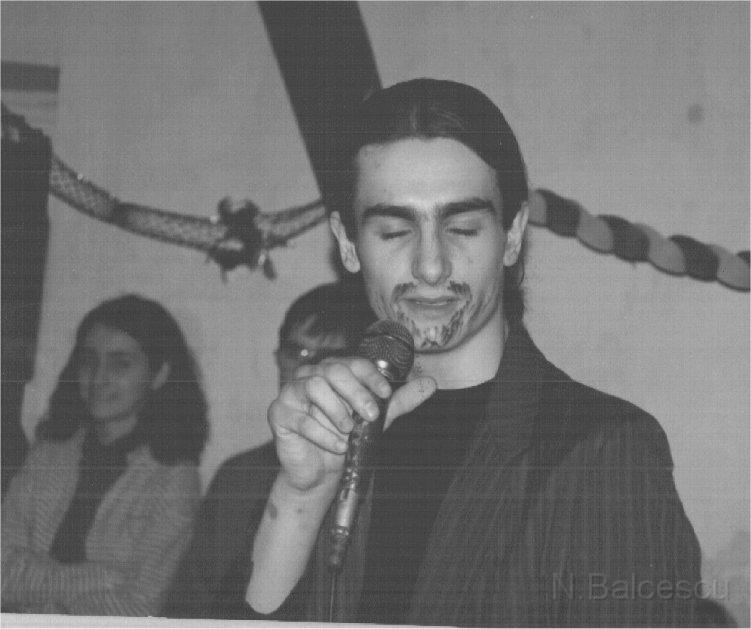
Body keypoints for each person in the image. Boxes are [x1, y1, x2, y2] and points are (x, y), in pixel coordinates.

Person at [245, 79, 703, 625]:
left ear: (512, 236)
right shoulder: (331, 431)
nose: (430, 266)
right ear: (347, 244)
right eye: (393, 231)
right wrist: (303, 496)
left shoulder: (605, 451)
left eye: (462, 228)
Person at [161, 279, 375, 618]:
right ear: (278, 358)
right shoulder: (238, 475)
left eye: (327, 358)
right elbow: (186, 605)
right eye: (295, 352)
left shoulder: (374, 479)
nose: (305, 370)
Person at [1, 294, 209, 616]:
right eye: (89, 360)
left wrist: (42, 600)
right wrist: (94, 577)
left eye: (120, 363)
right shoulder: (47, 455)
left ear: (160, 375)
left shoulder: (174, 480)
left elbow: (139, 607)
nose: (98, 377)